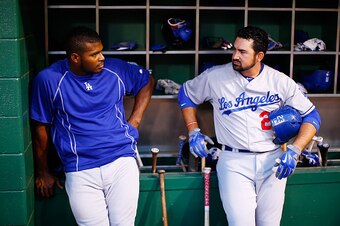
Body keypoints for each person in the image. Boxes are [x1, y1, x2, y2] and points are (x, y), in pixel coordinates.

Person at [178, 26, 321, 226]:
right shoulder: (215, 77)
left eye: (243, 52)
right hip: (233, 161)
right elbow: (186, 94)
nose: (235, 55)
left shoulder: (279, 81)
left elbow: (312, 116)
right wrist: (193, 129)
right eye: (235, 49)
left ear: (259, 55)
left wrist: (296, 150)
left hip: (273, 161)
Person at [30, 26, 154, 226]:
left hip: (120, 160)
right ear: (75, 58)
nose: (102, 57)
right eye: (94, 54)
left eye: (101, 51)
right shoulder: (49, 79)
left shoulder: (115, 69)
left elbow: (146, 80)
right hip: (80, 167)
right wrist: (43, 172)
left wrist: (135, 120)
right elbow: (40, 128)